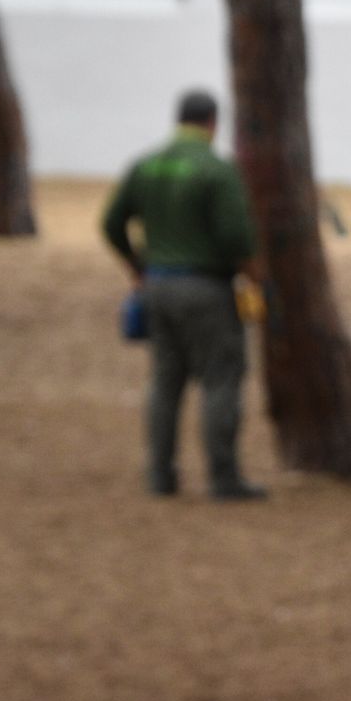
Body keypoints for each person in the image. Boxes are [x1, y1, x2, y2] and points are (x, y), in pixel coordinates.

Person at [102, 89, 267, 501]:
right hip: (207, 288)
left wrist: (137, 266)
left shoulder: (146, 164)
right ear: (213, 123)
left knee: (164, 381)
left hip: (157, 285)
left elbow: (111, 222)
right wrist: (256, 280)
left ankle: (160, 474)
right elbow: (235, 237)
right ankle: (223, 477)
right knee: (220, 379)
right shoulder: (218, 169)